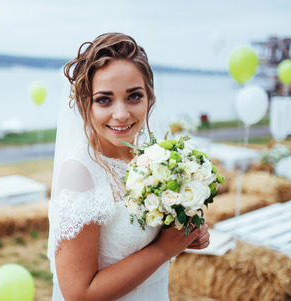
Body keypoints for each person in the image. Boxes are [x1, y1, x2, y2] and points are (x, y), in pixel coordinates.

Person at [47, 33, 210, 301]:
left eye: (134, 96)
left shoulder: (152, 159)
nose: (121, 114)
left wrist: (186, 232)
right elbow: (78, 294)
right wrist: (164, 249)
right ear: (85, 105)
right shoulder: (80, 173)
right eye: (104, 99)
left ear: (150, 99)